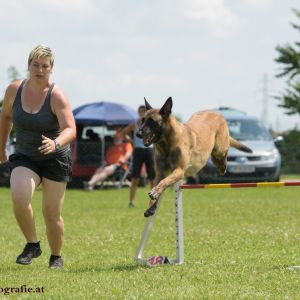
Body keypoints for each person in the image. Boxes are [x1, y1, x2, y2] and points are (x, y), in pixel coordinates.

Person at [0, 45, 76, 269]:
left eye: (45, 66)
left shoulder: (57, 95)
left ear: (51, 69)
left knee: (51, 213)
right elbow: (5, 117)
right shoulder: (14, 90)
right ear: (28, 65)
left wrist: (55, 143)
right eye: (35, 64)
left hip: (55, 158)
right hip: (26, 156)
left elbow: (70, 129)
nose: (39, 70)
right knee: (19, 196)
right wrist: (1, 146)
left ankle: (56, 256)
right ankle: (32, 244)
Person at [122, 105, 155, 208]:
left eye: (144, 111)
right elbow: (124, 133)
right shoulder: (135, 123)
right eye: (140, 112)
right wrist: (131, 141)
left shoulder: (152, 123)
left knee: (152, 178)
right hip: (138, 152)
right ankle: (131, 202)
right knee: (135, 178)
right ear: (138, 113)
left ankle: (153, 202)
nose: (142, 113)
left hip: (149, 151)